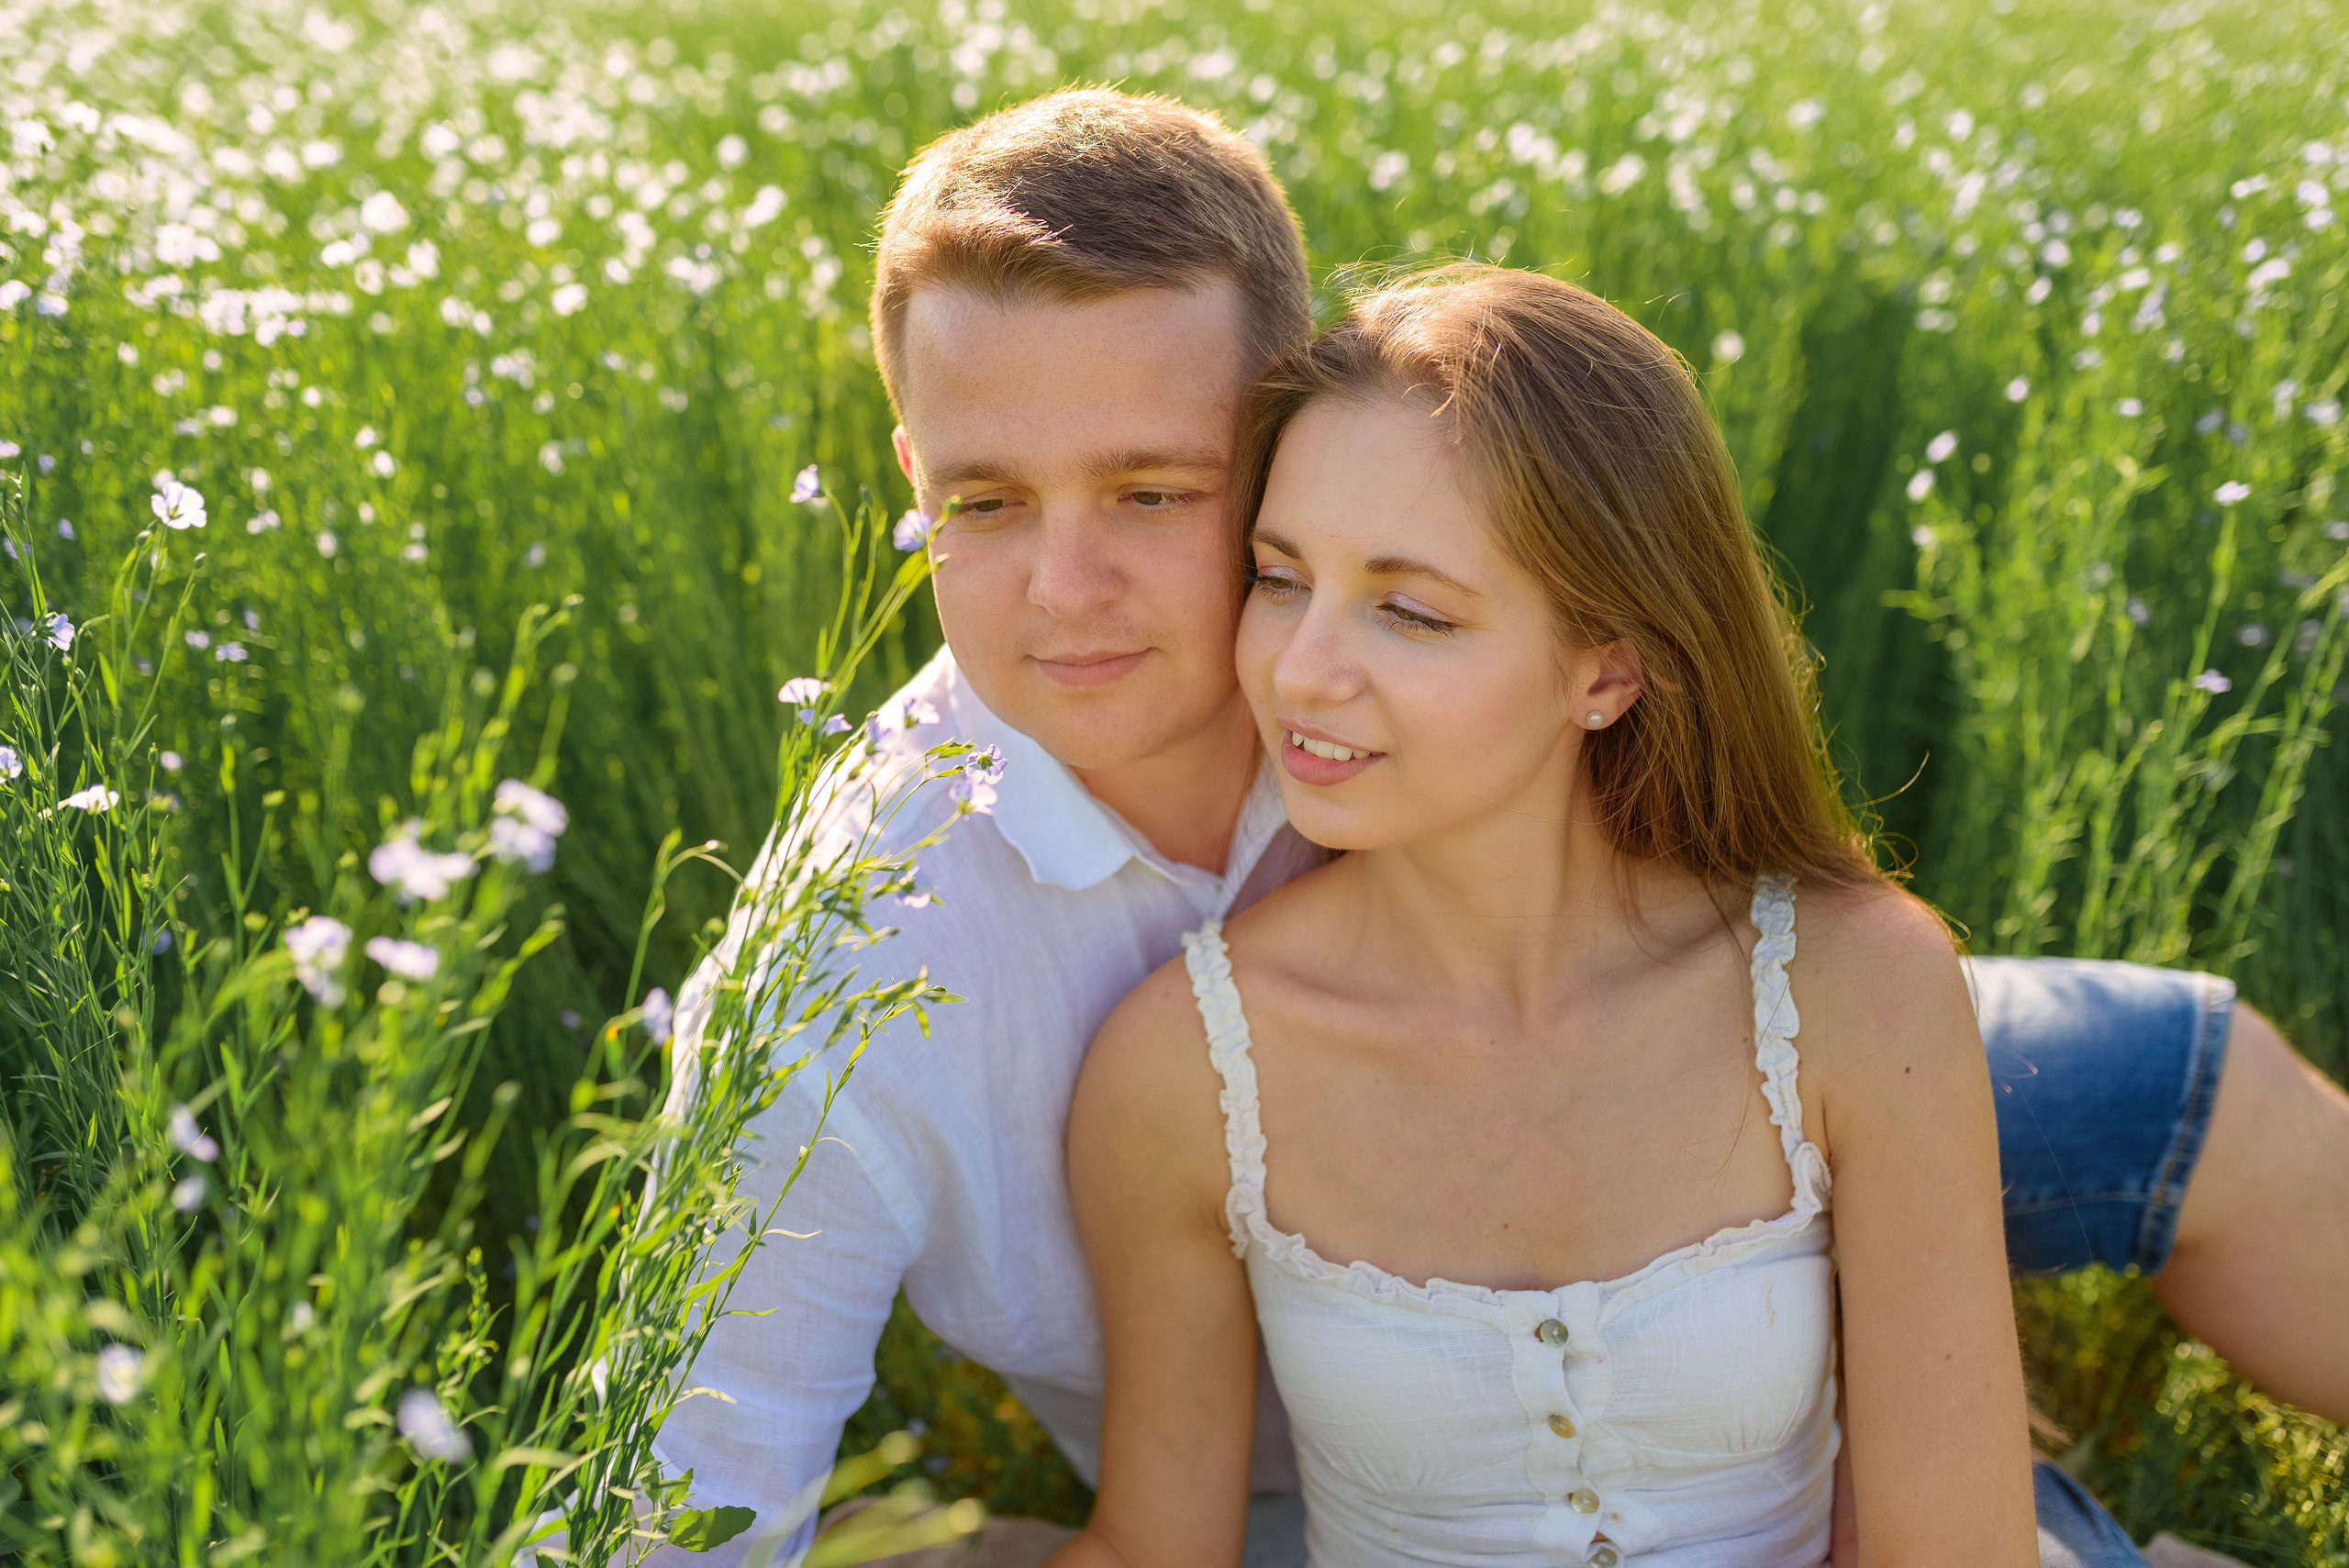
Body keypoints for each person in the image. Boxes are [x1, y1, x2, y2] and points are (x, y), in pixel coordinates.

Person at [647, 89, 2349, 1568]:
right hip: (1330, 1428)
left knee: (2174, 1078)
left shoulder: (1410, 623)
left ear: (1277, 444)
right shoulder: (843, 975)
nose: (1067, 588)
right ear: (912, 477)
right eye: (986, 502)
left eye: (1156, 493)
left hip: (1697, 1085)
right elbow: (688, 1497)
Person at [1054, 261, 2039, 1565]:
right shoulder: (1183, 1068)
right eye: (1281, 579)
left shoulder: (1857, 991)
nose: (1301, 670)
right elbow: (1150, 1551)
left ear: (1608, 670)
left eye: (1411, 611)